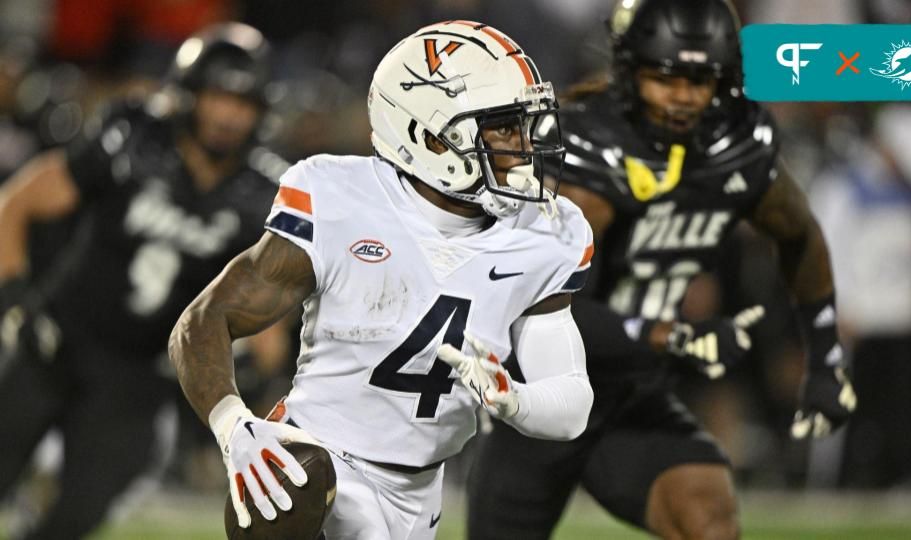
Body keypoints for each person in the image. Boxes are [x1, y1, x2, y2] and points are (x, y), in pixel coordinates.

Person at [168, 20, 595, 539]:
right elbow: (205, 319)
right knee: (296, 481)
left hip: (420, 492)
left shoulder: (546, 233)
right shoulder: (341, 198)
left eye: (524, 126)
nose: (523, 145)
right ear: (430, 137)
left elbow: (571, 404)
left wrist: (513, 400)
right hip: (318, 462)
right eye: (502, 126)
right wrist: (234, 425)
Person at [467, 1, 857, 539]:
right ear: (629, 69)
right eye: (666, 78)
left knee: (711, 523)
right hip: (540, 390)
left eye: (702, 79)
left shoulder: (735, 146)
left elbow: (800, 235)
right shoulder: (582, 151)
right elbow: (531, 302)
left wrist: (825, 357)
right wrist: (666, 335)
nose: (684, 97)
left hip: (632, 392)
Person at [0, 23, 282, 539]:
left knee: (74, 520)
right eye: (218, 97)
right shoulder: (132, 138)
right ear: (188, 95)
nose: (228, 115)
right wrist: (14, 301)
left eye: (243, 103)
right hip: (56, 341)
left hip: (139, 380)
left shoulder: (262, 195)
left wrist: (256, 395)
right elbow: (18, 206)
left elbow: (265, 316)